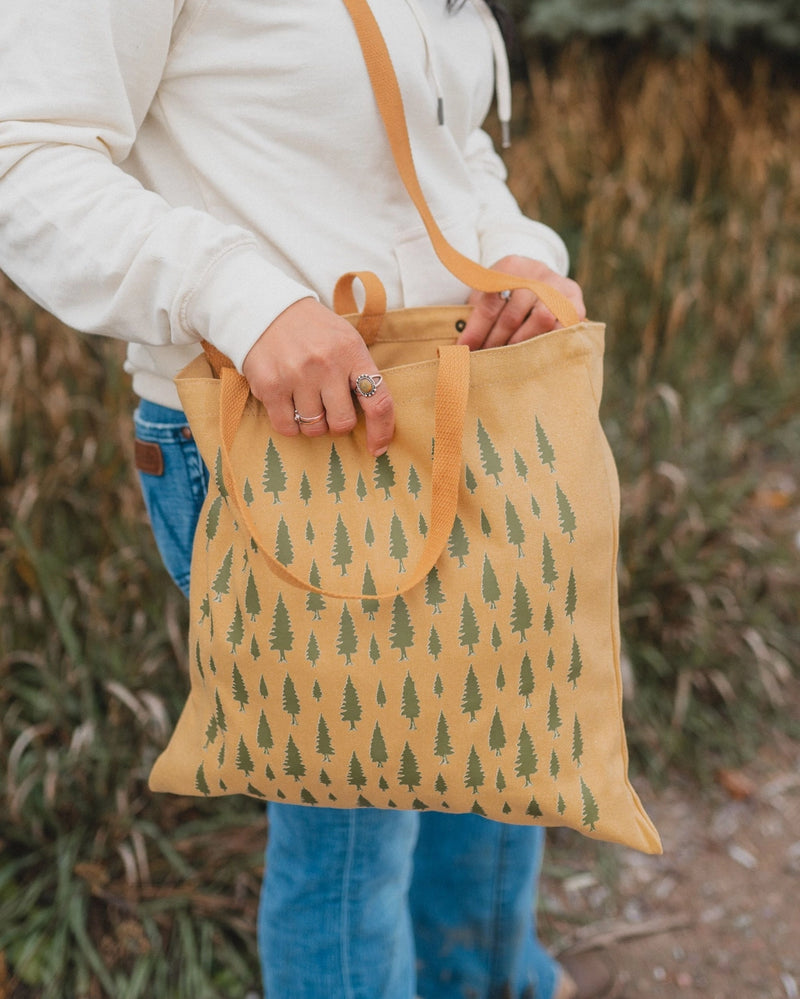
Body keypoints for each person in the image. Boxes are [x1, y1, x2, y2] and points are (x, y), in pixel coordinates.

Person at [0, 2, 616, 996]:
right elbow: (21, 154)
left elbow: (442, 143)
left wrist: (516, 253)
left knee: (496, 767)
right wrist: (241, 298)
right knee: (352, 841)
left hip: (462, 402)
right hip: (283, 440)